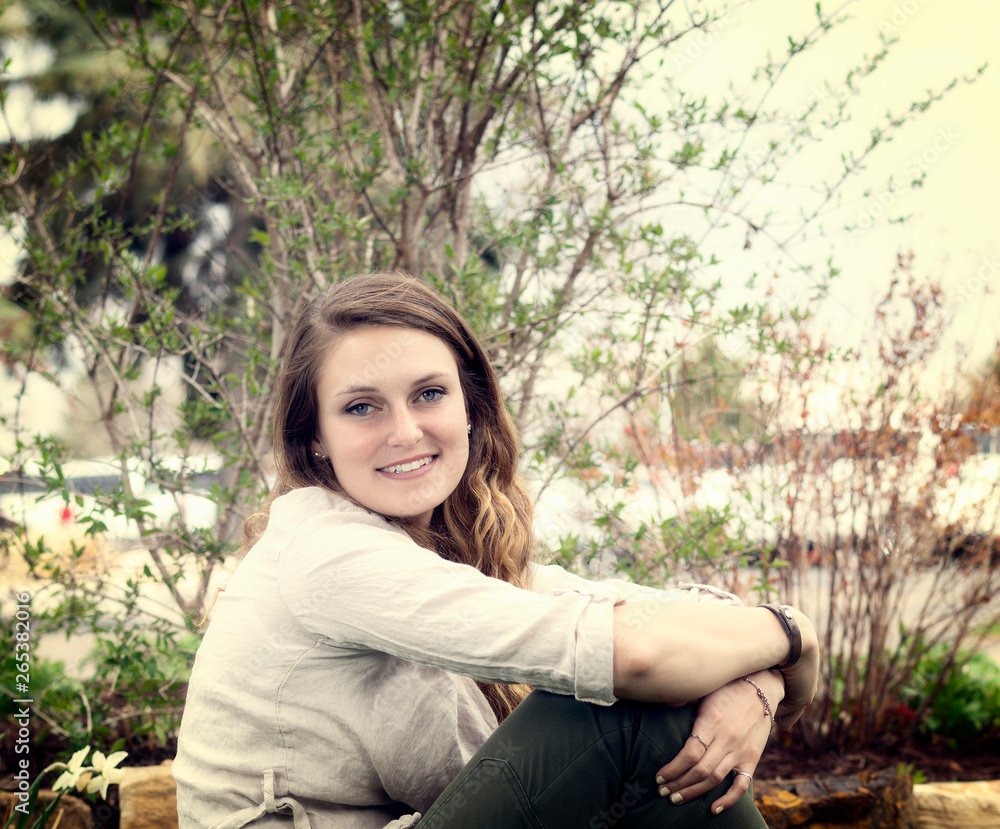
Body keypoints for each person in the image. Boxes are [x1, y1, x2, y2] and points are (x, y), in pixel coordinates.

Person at [172, 272, 819, 829]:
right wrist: (790, 637)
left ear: (470, 407)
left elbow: (653, 618)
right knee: (629, 717)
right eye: (363, 407)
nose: (406, 431)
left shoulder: (437, 551)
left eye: (429, 394)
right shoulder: (327, 553)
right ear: (314, 436)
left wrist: (758, 676)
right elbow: (637, 654)